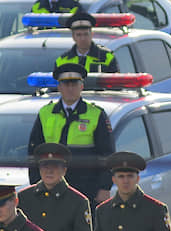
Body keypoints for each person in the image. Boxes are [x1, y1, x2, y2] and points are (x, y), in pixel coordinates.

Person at [28, 63, 115, 204]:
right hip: (51, 187)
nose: (70, 88)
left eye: (74, 84)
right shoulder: (46, 113)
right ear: (59, 87)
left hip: (87, 188)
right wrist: (35, 185)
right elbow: (33, 152)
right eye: (65, 84)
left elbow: (107, 154)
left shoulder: (95, 114)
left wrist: (104, 187)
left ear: (82, 86)